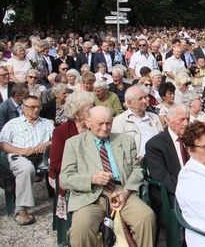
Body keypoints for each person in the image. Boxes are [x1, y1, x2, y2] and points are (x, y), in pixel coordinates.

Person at [60, 106, 156, 247]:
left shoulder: (125, 141)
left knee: (146, 217)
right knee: (81, 228)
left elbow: (137, 170)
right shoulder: (74, 144)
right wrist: (91, 179)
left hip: (120, 191)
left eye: (109, 123)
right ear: (88, 122)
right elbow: (65, 178)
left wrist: (127, 191)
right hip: (90, 195)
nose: (105, 128)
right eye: (100, 123)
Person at [0, 95, 53, 225]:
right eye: (32, 107)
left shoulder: (46, 123)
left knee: (58, 164)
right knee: (26, 168)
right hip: (20, 156)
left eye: (38, 107)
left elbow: (55, 140)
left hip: (42, 156)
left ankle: (63, 199)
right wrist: (20, 150)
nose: (36, 110)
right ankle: (21, 209)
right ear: (24, 108)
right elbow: (2, 144)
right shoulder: (13, 124)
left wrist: (46, 145)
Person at [49, 91, 95, 218]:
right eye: (89, 110)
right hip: (67, 174)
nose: (94, 112)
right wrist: (82, 170)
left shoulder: (96, 128)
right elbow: (55, 164)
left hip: (93, 172)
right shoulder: (61, 132)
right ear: (77, 114)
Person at [146, 104, 190, 231]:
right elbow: (162, 177)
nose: (186, 123)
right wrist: (187, 190)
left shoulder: (191, 139)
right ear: (168, 120)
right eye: (181, 120)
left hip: (193, 185)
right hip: (171, 192)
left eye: (188, 119)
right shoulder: (155, 145)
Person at [112, 86, 162, 161]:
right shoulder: (119, 121)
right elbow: (117, 148)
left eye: (145, 97)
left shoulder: (154, 118)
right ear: (129, 103)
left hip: (157, 159)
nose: (145, 101)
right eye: (140, 99)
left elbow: (162, 139)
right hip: (135, 163)